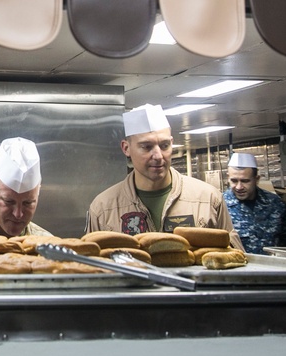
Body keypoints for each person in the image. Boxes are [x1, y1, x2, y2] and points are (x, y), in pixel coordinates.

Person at [86, 104, 244, 249]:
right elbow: (92, 267)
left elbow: (237, 259)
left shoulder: (207, 199)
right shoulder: (103, 208)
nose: (158, 155)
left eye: (164, 145)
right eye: (147, 147)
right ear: (126, 148)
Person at [225, 152, 286, 253]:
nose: (239, 187)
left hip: (271, 266)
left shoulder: (275, 204)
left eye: (245, 181)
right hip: (236, 266)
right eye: (234, 181)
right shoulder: (220, 206)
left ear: (256, 179)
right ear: (228, 178)